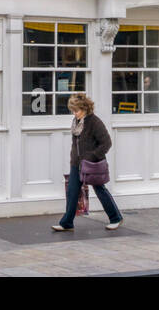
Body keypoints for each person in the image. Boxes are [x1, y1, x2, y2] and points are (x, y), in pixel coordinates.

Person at [52, 93, 124, 232]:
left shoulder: (94, 122)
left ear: (85, 108)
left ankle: (116, 218)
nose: (74, 113)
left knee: (100, 190)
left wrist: (92, 156)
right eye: (72, 110)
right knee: (72, 192)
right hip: (76, 164)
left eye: (77, 110)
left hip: (91, 164)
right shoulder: (76, 122)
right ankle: (67, 223)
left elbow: (106, 143)